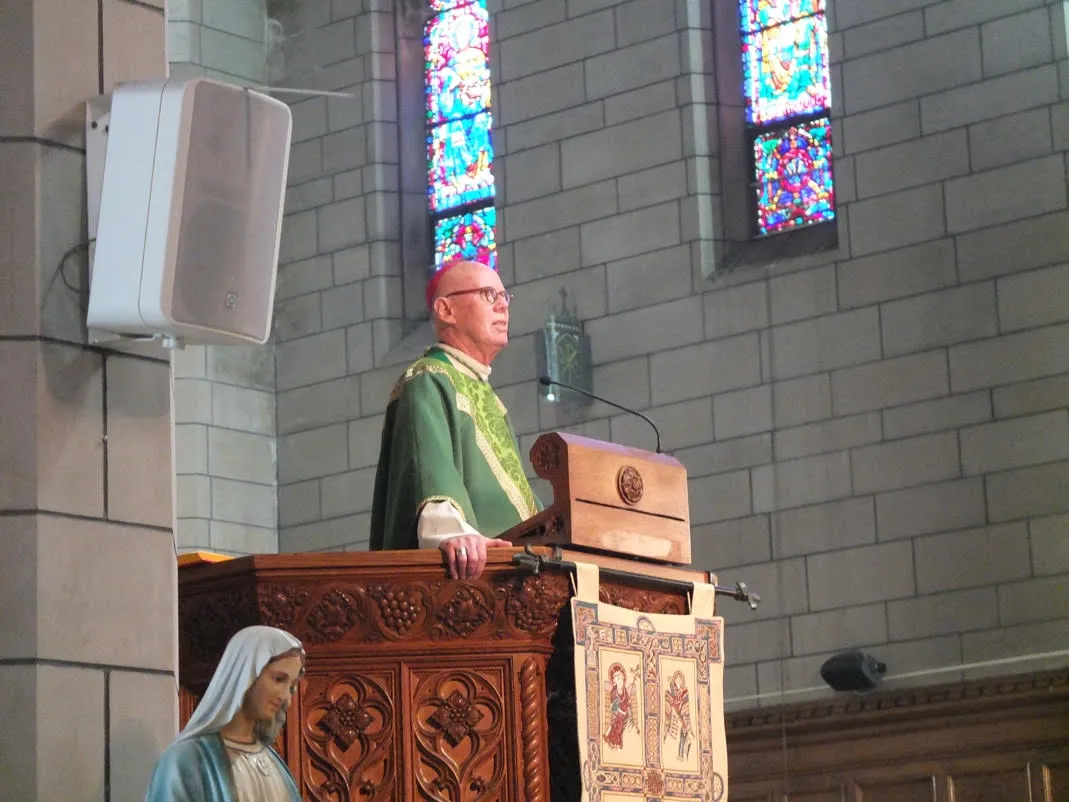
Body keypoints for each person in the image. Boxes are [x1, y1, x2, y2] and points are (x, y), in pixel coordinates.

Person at [369, 259, 542, 579]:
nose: (503, 306)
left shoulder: (489, 398)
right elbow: (427, 461)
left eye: (506, 297)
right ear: (445, 310)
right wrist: (450, 532)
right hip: (470, 572)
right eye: (489, 294)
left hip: (514, 569)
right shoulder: (429, 378)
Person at [145, 625, 305, 802]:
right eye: (279, 679)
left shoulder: (271, 760)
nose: (285, 697)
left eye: (291, 687)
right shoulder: (187, 759)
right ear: (246, 673)